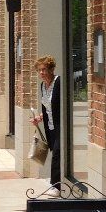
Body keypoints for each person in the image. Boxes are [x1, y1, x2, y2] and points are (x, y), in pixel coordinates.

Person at [31, 55, 61, 188]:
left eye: (44, 69)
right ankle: (58, 182)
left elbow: (60, 106)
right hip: (50, 127)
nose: (41, 73)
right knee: (55, 153)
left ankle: (56, 186)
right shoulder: (43, 85)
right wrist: (39, 118)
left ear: (51, 69)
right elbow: (47, 108)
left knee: (57, 155)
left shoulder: (58, 82)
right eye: (39, 70)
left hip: (60, 126)